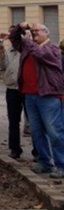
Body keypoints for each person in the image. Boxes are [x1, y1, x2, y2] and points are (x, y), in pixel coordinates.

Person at [9, 22, 64, 178]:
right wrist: (20, 27)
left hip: (48, 96)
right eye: (31, 32)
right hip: (30, 96)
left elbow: (40, 54)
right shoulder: (28, 47)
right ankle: (44, 162)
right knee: (36, 132)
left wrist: (27, 40)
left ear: (47, 33)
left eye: (36, 31)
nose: (33, 34)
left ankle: (62, 165)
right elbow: (14, 38)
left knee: (55, 132)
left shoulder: (52, 49)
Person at [0, 29, 23, 159]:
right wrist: (1, 52)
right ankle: (14, 148)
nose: (12, 41)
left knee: (34, 122)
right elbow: (2, 66)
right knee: (13, 121)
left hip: (27, 90)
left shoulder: (27, 50)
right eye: (11, 38)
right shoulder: (9, 51)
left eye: (14, 38)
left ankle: (38, 152)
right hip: (12, 89)